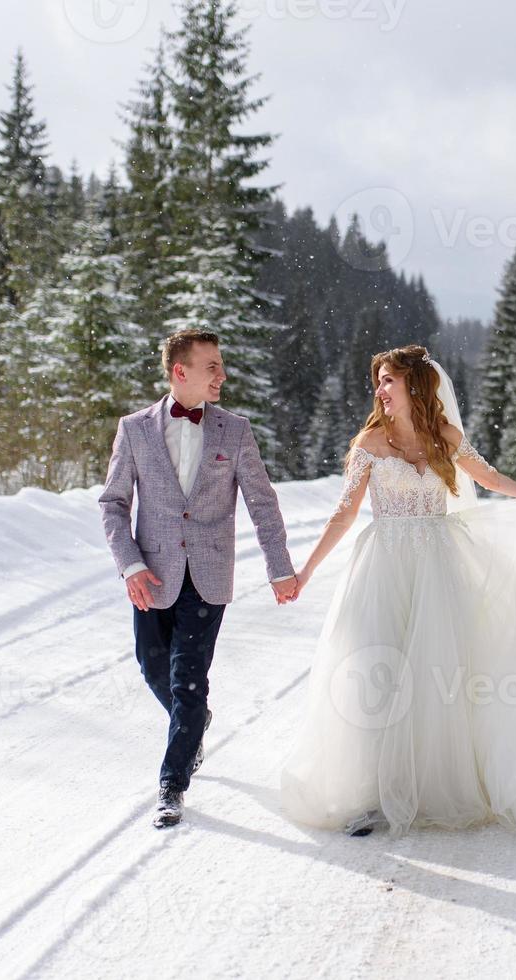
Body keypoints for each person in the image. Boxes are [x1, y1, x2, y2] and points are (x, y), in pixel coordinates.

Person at [279, 344, 516, 838]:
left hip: (439, 565)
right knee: (378, 674)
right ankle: (371, 793)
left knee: (440, 675)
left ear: (415, 386)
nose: (379, 389)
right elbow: (344, 514)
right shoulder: (370, 445)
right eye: (377, 381)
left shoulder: (445, 436)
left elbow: (485, 477)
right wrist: (305, 572)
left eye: (388, 380)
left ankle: (433, 784)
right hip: (384, 568)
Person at [99, 329, 299, 828]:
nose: (223, 375)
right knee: (152, 666)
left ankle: (172, 785)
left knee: (188, 681)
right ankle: (194, 725)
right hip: (152, 574)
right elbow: (113, 504)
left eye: (222, 365)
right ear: (179, 372)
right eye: (212, 366)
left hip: (209, 575)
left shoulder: (235, 431)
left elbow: (262, 503)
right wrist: (130, 563)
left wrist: (279, 568)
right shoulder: (135, 429)